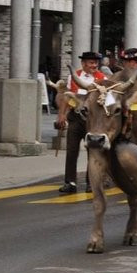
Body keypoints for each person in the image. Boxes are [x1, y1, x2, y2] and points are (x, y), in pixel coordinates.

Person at [55, 51, 105, 194]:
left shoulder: (102, 78)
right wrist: (62, 115)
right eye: (91, 62)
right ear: (83, 64)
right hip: (75, 117)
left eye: (96, 63)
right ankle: (70, 183)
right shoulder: (74, 76)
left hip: (92, 120)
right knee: (71, 151)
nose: (94, 65)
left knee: (93, 151)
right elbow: (67, 96)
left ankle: (92, 182)